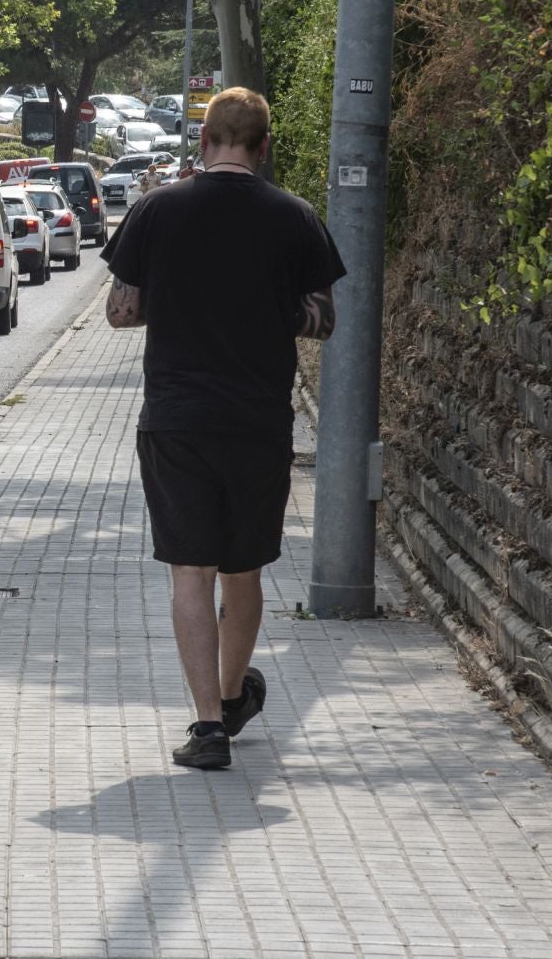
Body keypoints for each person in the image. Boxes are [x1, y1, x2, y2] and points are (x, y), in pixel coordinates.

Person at [102, 87, 345, 770]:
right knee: (244, 570)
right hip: (258, 422)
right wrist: (264, 306)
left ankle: (209, 726)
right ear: (265, 147)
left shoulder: (157, 209)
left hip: (177, 421)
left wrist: (178, 298)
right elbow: (323, 321)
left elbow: (120, 312)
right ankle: (235, 696)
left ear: (204, 139)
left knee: (190, 572)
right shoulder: (294, 217)